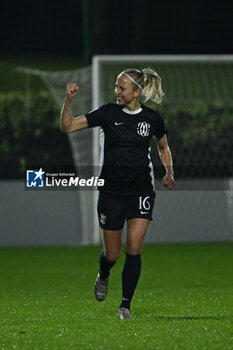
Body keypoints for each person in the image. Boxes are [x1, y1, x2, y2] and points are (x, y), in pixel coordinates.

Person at [60, 68, 175, 319]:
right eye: (116, 87)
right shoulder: (107, 113)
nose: (117, 92)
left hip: (141, 190)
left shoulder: (152, 119)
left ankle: (125, 305)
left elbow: (163, 146)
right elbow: (67, 126)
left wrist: (169, 171)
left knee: (134, 246)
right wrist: (68, 100)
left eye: (122, 88)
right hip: (111, 192)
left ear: (137, 92)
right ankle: (103, 273)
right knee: (112, 254)